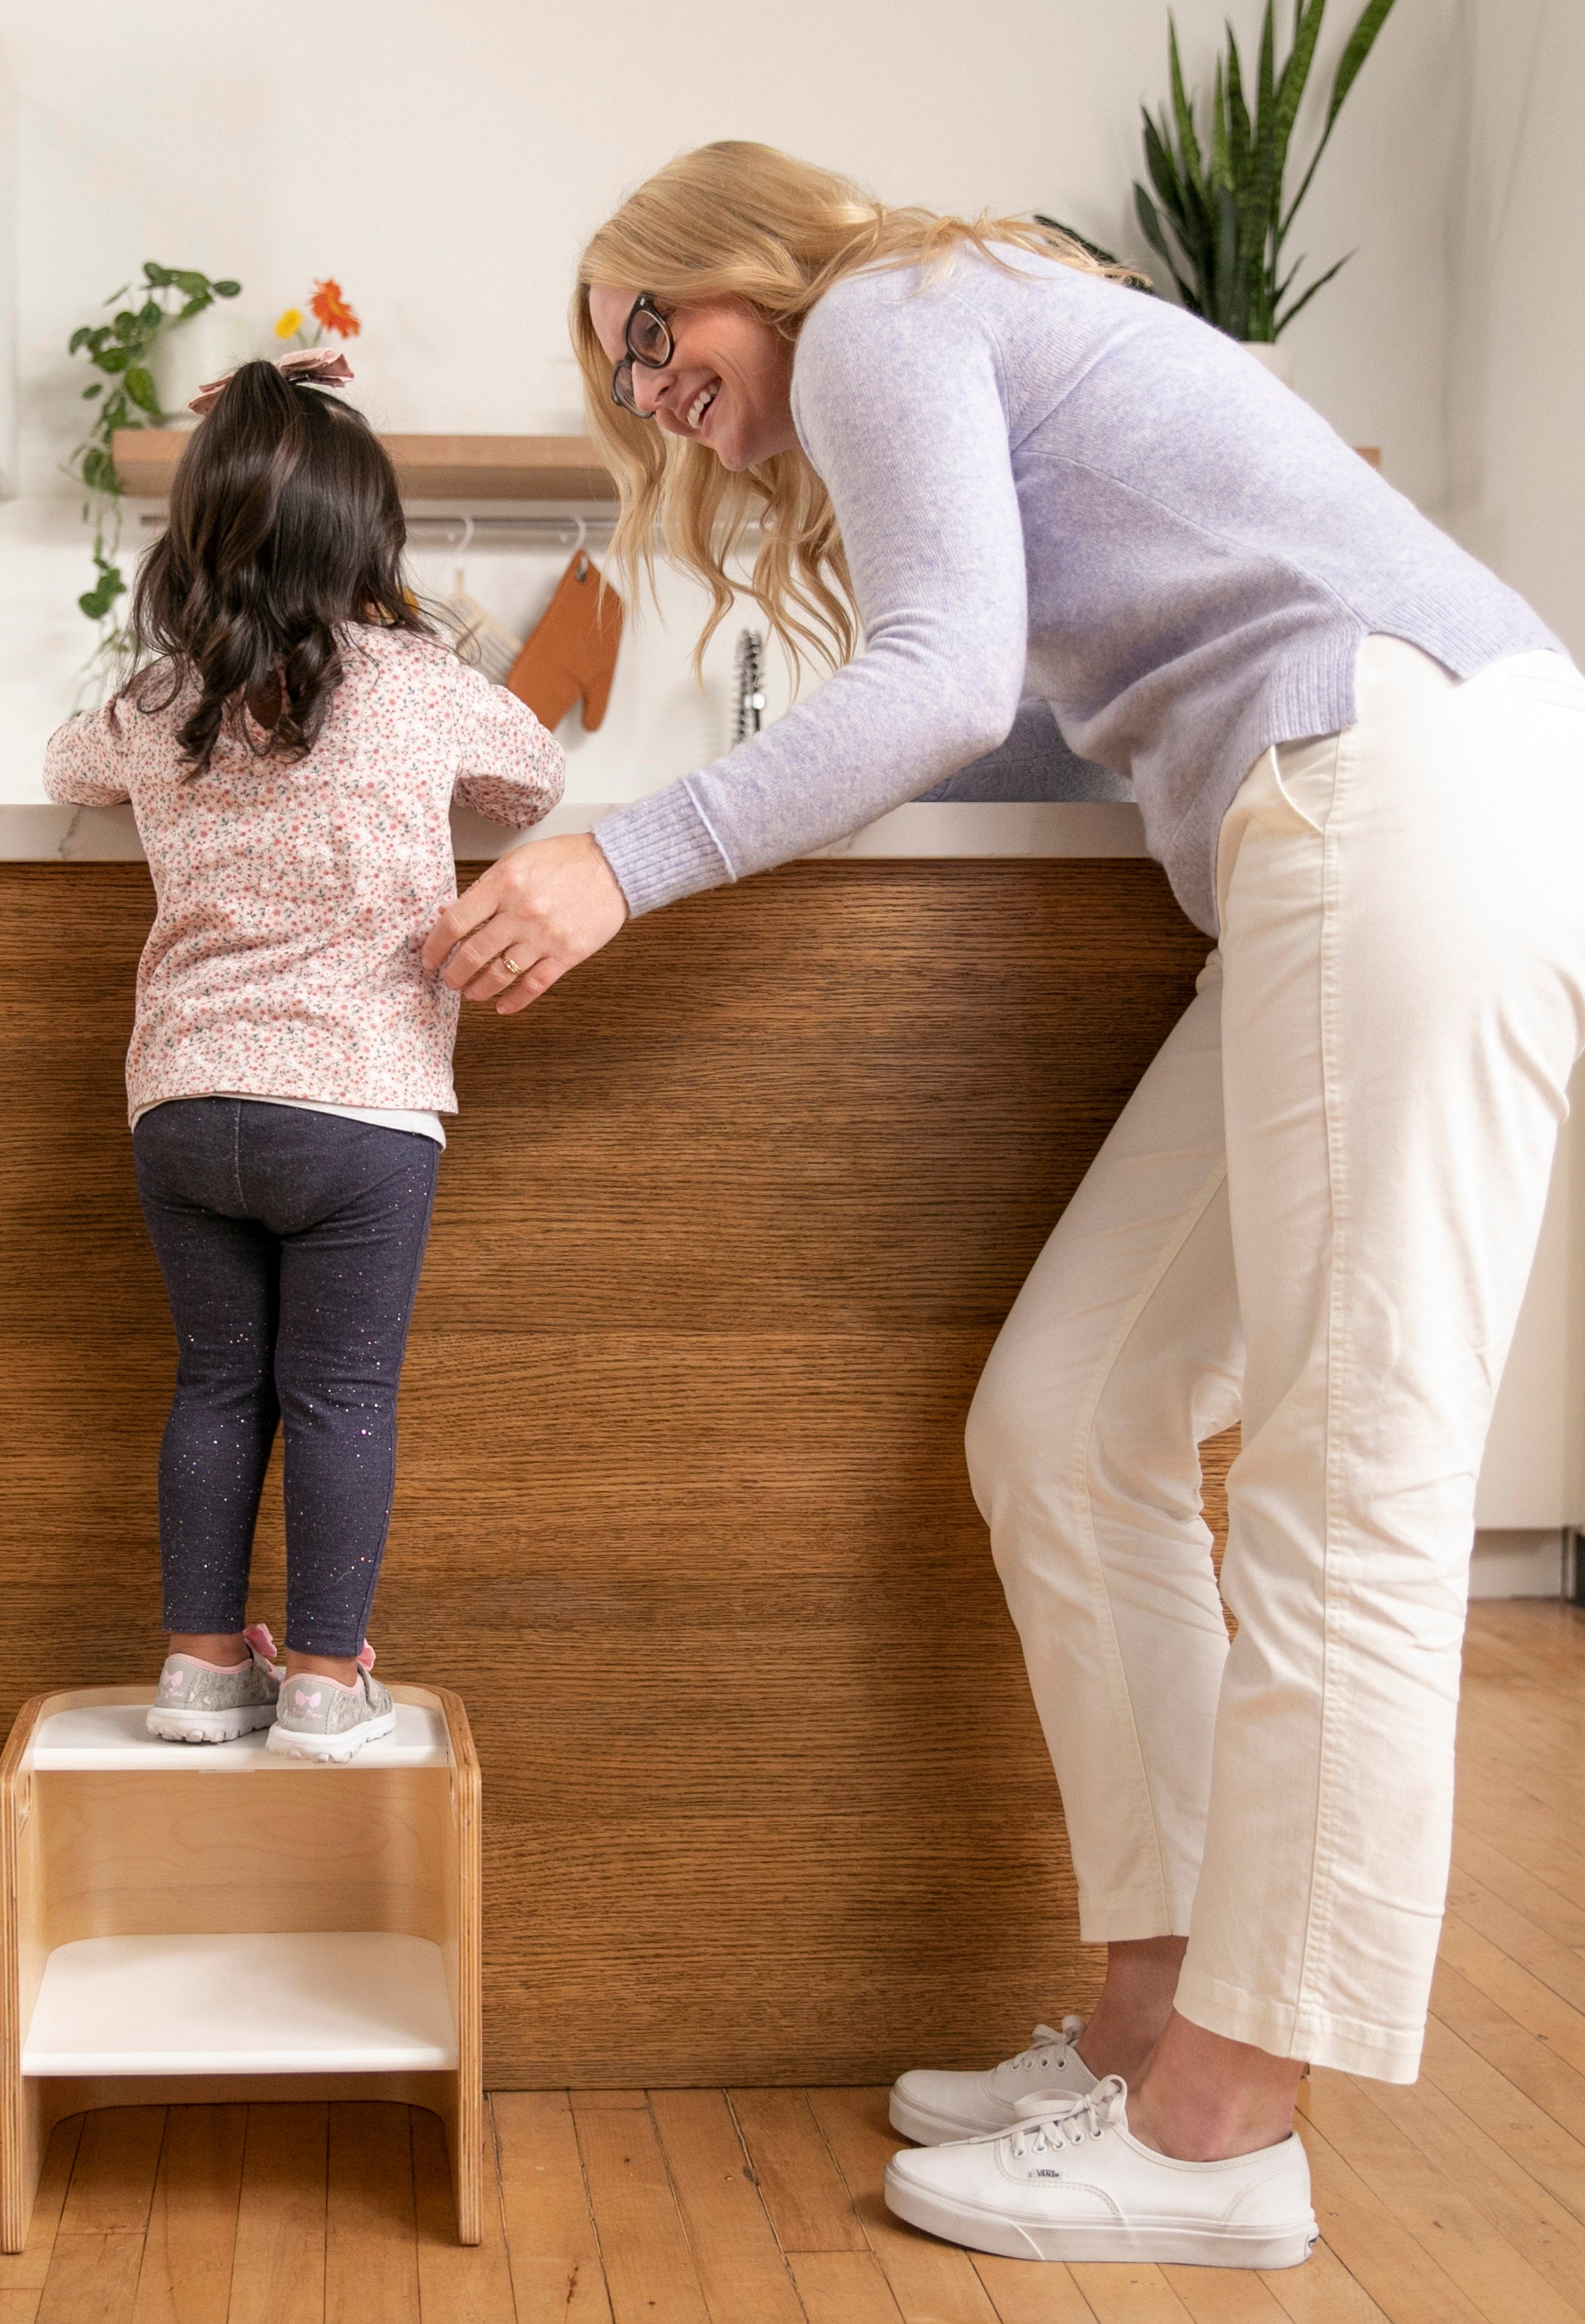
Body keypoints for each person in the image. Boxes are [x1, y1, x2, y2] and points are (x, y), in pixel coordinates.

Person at [423, 140, 1583, 2267]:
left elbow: (948, 683)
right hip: (1331, 822)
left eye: (656, 338)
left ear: (738, 256)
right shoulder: (954, 343)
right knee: (1069, 1416)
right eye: (625, 384)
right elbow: (1016, 732)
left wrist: (624, 857)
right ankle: (1154, 2022)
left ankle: (1228, 2130)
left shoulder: (890, 308)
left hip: (1395, 783)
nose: (657, 393)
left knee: (1354, 1474)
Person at [46, 353, 564, 1763]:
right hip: (357, 1109)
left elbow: (58, 769)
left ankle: (202, 1670)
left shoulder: (159, 699)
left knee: (217, 1383)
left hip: (184, 1104)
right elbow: (536, 779)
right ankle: (327, 1679)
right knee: (338, 1393)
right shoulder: (415, 682)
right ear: (367, 541)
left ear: (195, 537)